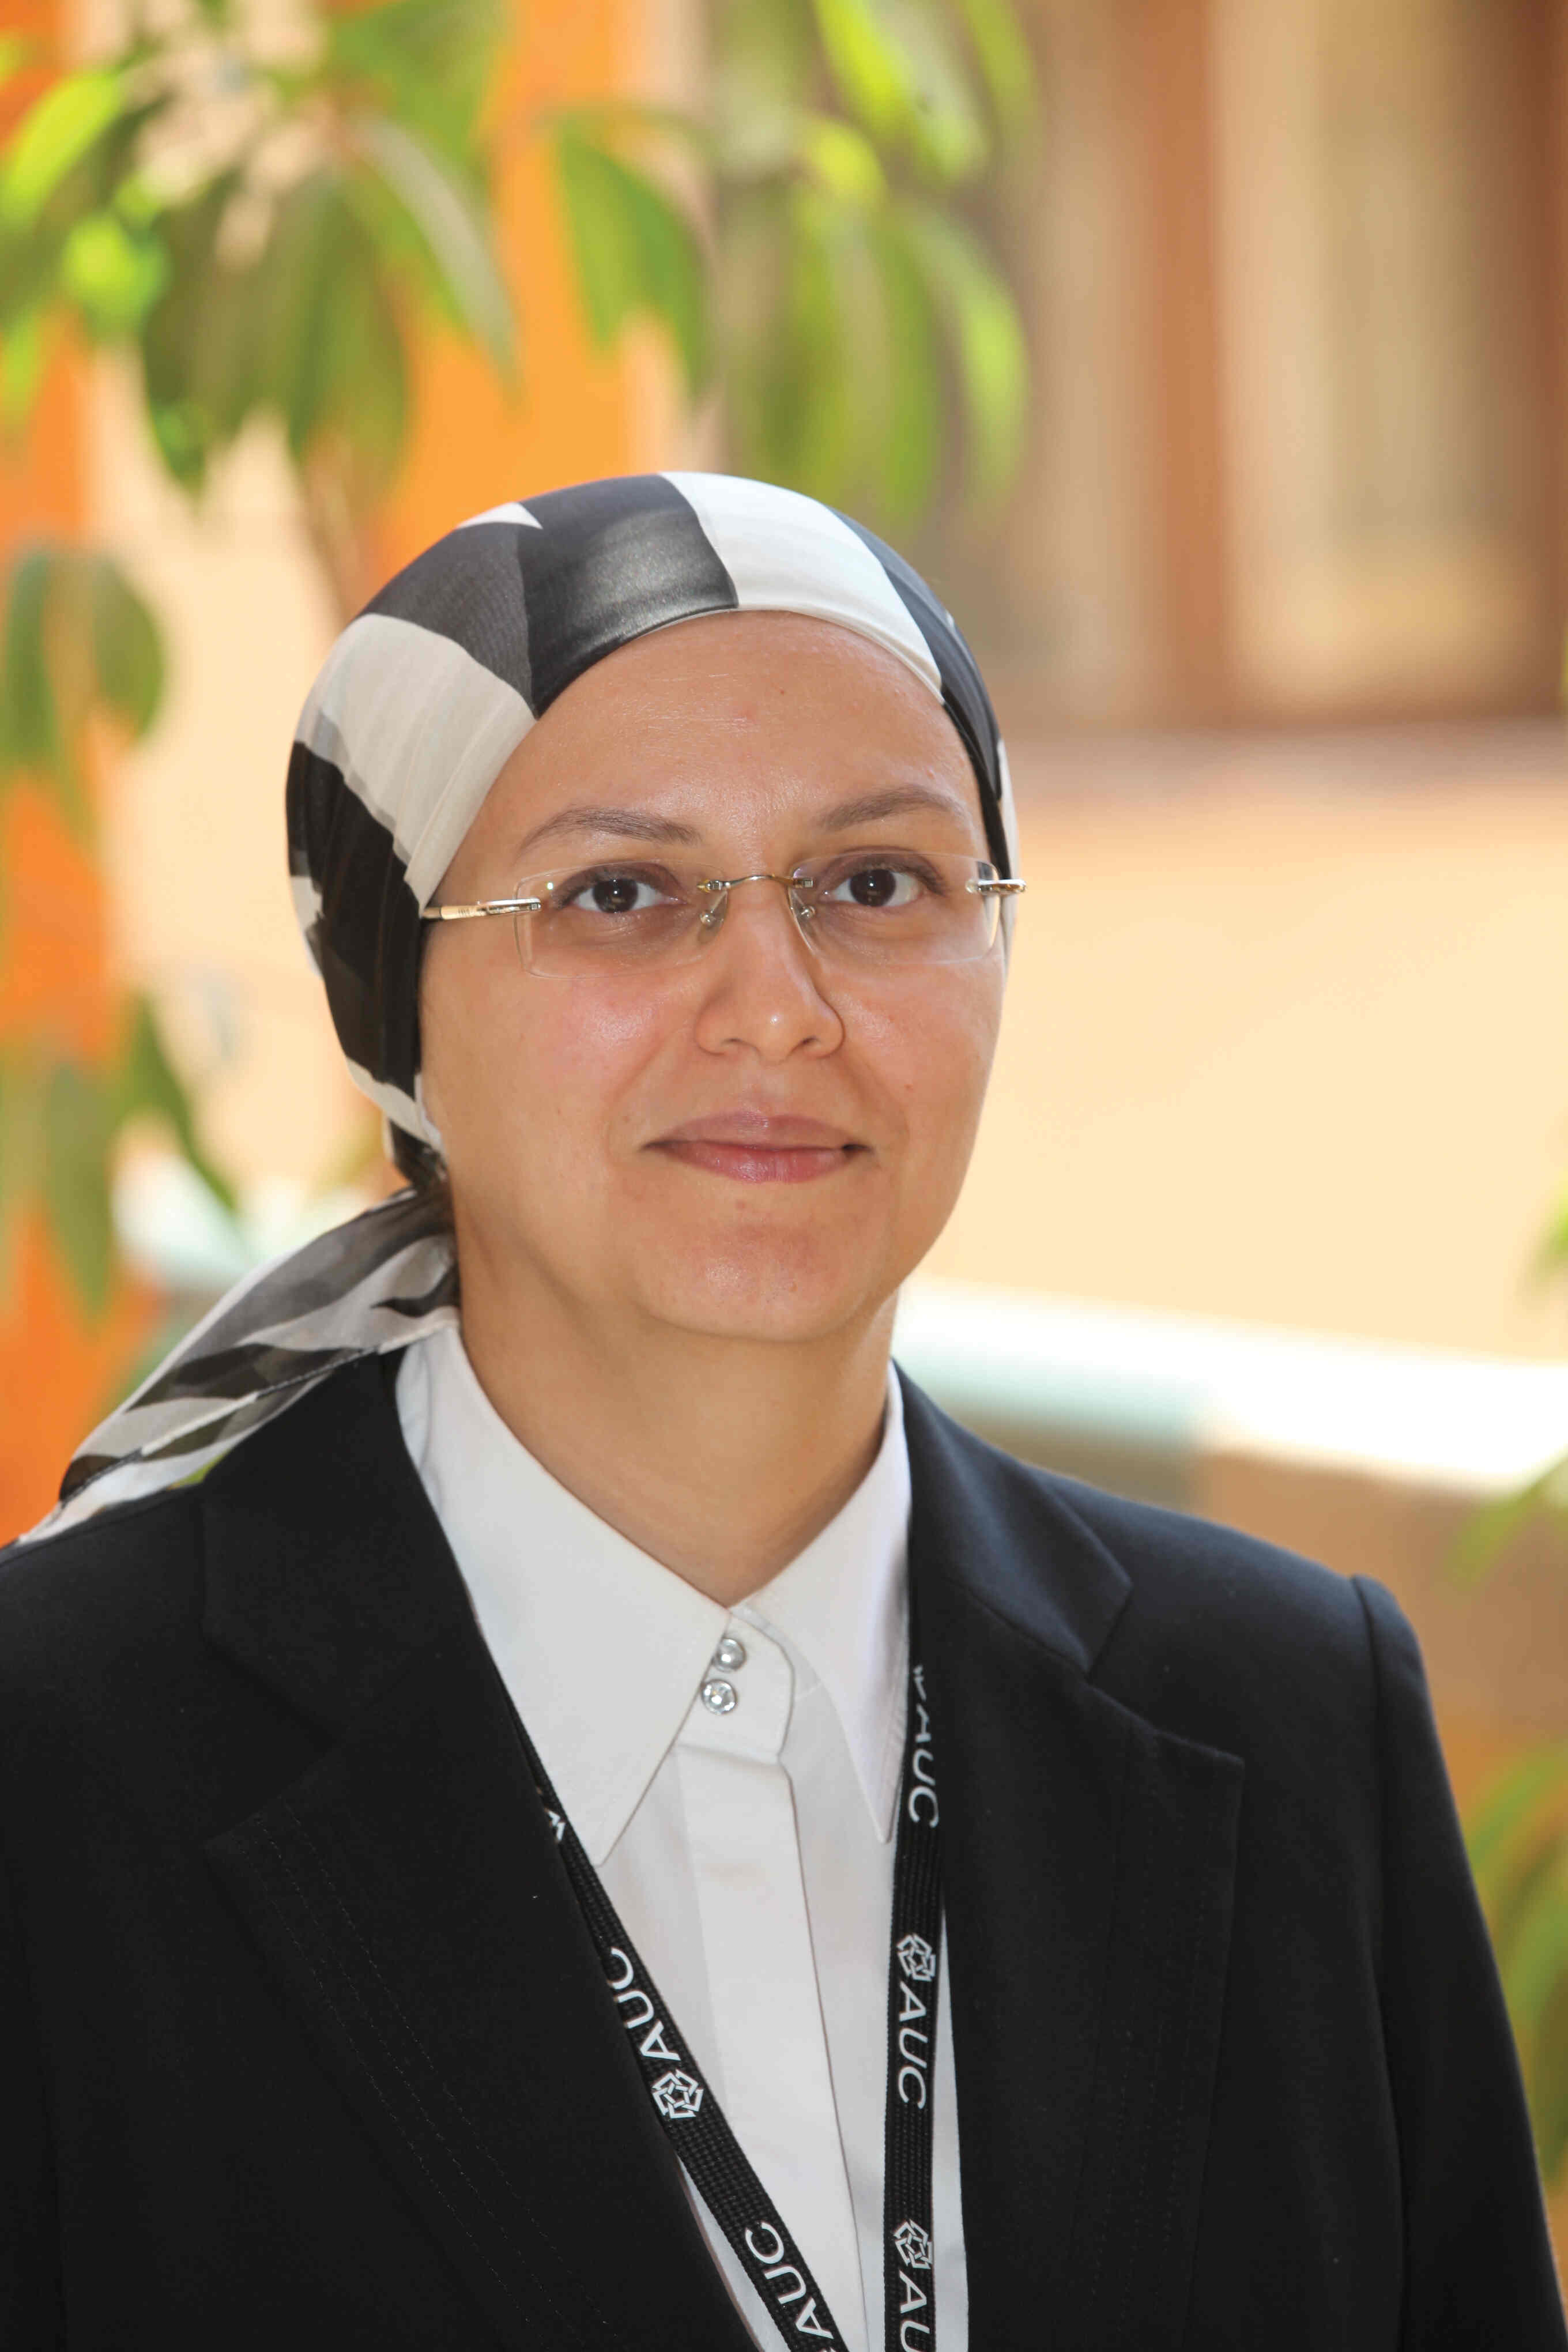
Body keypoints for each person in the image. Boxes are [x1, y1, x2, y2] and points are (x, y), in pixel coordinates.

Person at [0, 472, 1561, 2351]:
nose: (777, 1008)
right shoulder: (59, 1759)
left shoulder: (1298, 1716)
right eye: (623, 893)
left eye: (876, 884)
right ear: (397, 999)